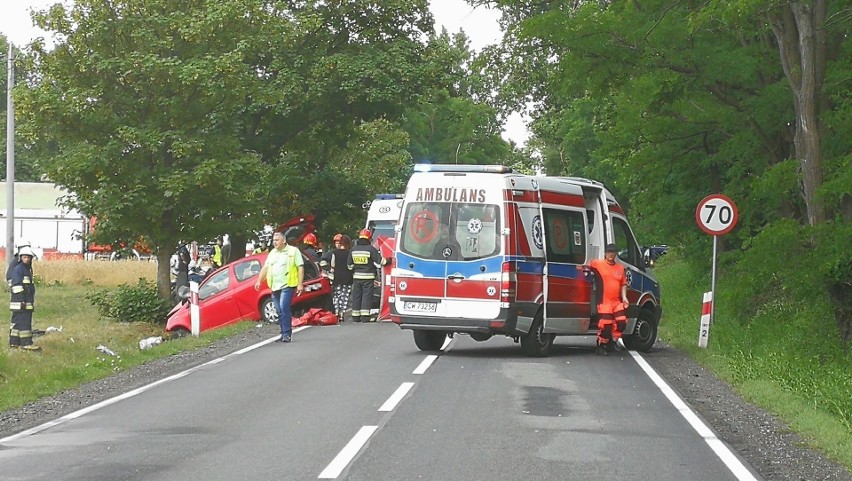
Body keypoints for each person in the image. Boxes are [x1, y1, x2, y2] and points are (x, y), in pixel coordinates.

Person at [255, 231, 304, 343]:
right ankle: (283, 333)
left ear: (284, 240)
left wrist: (300, 284)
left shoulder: (293, 251)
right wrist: (259, 280)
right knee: (278, 310)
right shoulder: (272, 253)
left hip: (288, 284)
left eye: (277, 240)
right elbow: (266, 268)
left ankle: (287, 334)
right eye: (273, 240)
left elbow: (300, 267)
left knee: (283, 307)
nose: (274, 242)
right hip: (275, 286)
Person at [582, 243, 629, 356]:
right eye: (609, 252)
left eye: (613, 252)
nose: (611, 254)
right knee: (606, 325)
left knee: (622, 322)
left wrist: (624, 297)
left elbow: (623, 284)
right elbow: (584, 264)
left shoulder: (620, 268)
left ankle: (613, 342)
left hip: (617, 302)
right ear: (605, 253)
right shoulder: (598, 264)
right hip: (604, 302)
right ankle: (601, 345)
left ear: (615, 254)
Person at [348, 229, 387, 322]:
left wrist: (356, 268)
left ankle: (355, 316)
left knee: (356, 296)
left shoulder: (353, 249)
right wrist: (389, 260)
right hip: (368, 277)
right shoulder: (370, 249)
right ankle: (365, 317)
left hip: (356, 277)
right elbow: (381, 262)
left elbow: (349, 266)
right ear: (369, 238)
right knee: (367, 296)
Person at [9, 246, 40, 351]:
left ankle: (14, 342)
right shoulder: (20, 269)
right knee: (25, 323)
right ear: (21, 258)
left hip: (20, 303)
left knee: (17, 322)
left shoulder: (25, 269)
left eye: (28, 257)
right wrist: (22, 301)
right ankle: (26, 343)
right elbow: (17, 286)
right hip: (22, 303)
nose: (27, 259)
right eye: (25, 257)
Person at [324, 234, 353, 321]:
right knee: (344, 296)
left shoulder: (334, 253)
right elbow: (351, 265)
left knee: (336, 295)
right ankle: (342, 314)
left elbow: (330, 264)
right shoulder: (350, 253)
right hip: (347, 278)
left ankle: (336, 312)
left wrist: (329, 270)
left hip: (336, 277)